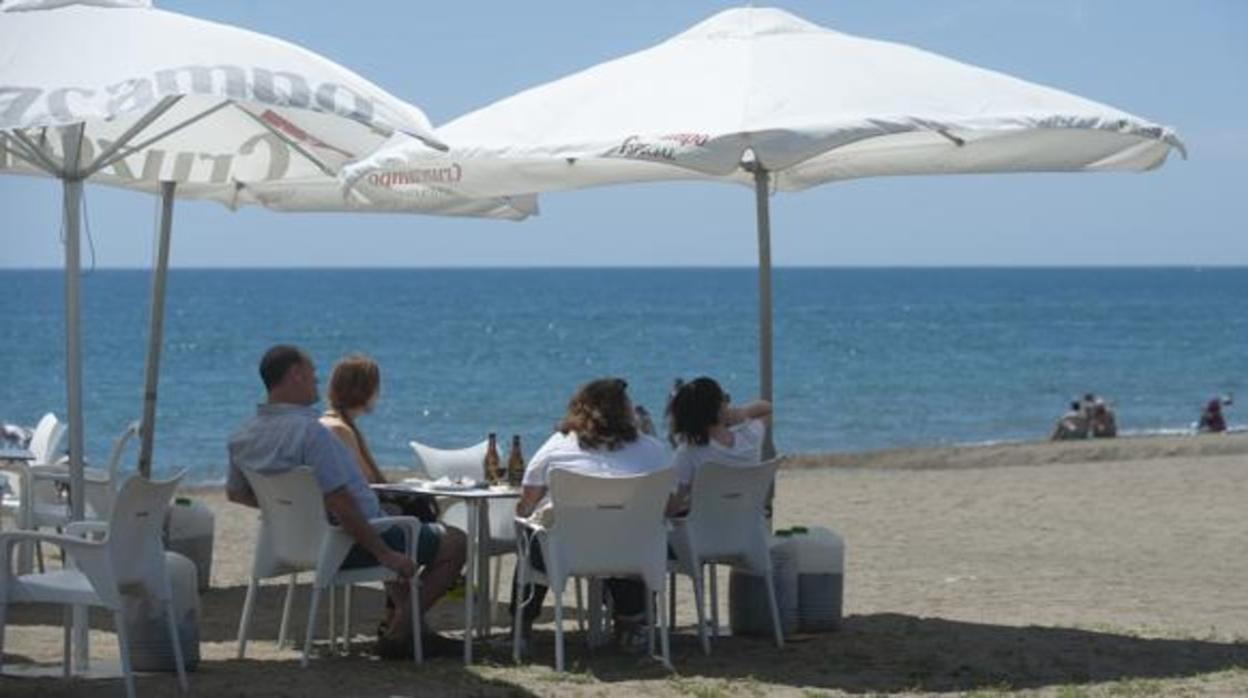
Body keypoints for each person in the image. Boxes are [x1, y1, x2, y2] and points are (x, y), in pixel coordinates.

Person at [226, 345, 465, 658]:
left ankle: (412, 631)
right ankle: (399, 632)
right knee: (456, 543)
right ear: (295, 375)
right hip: (348, 543)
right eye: (312, 374)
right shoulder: (311, 434)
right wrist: (385, 554)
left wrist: (297, 512)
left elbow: (237, 494)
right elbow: (340, 502)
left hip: (293, 543)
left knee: (393, 530)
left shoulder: (242, 436)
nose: (317, 381)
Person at [511, 377, 669, 650]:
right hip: (631, 552)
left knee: (531, 534)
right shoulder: (652, 449)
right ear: (627, 411)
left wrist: (525, 514)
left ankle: (521, 626)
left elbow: (527, 501)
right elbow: (671, 503)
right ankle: (633, 621)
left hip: (565, 551)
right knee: (628, 529)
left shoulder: (559, 444)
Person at [665, 377, 771, 516]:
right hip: (747, 528)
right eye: (726, 399)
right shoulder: (749, 436)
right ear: (721, 407)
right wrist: (742, 412)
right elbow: (768, 408)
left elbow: (671, 507)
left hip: (705, 533)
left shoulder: (688, 452)